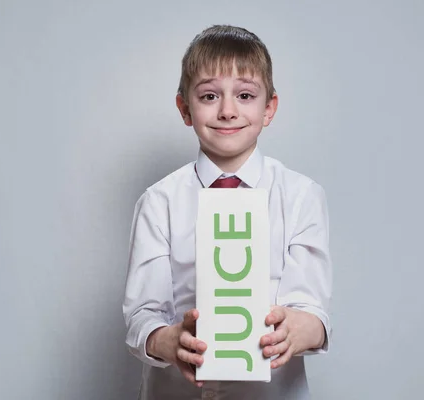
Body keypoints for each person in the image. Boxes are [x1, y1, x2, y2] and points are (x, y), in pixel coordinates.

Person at [122, 24, 332, 400]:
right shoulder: (159, 202)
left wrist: (299, 329)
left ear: (269, 109)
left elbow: (314, 314)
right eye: (209, 96)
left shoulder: (301, 197)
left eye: (246, 95)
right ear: (185, 109)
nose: (228, 111)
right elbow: (142, 316)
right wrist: (167, 340)